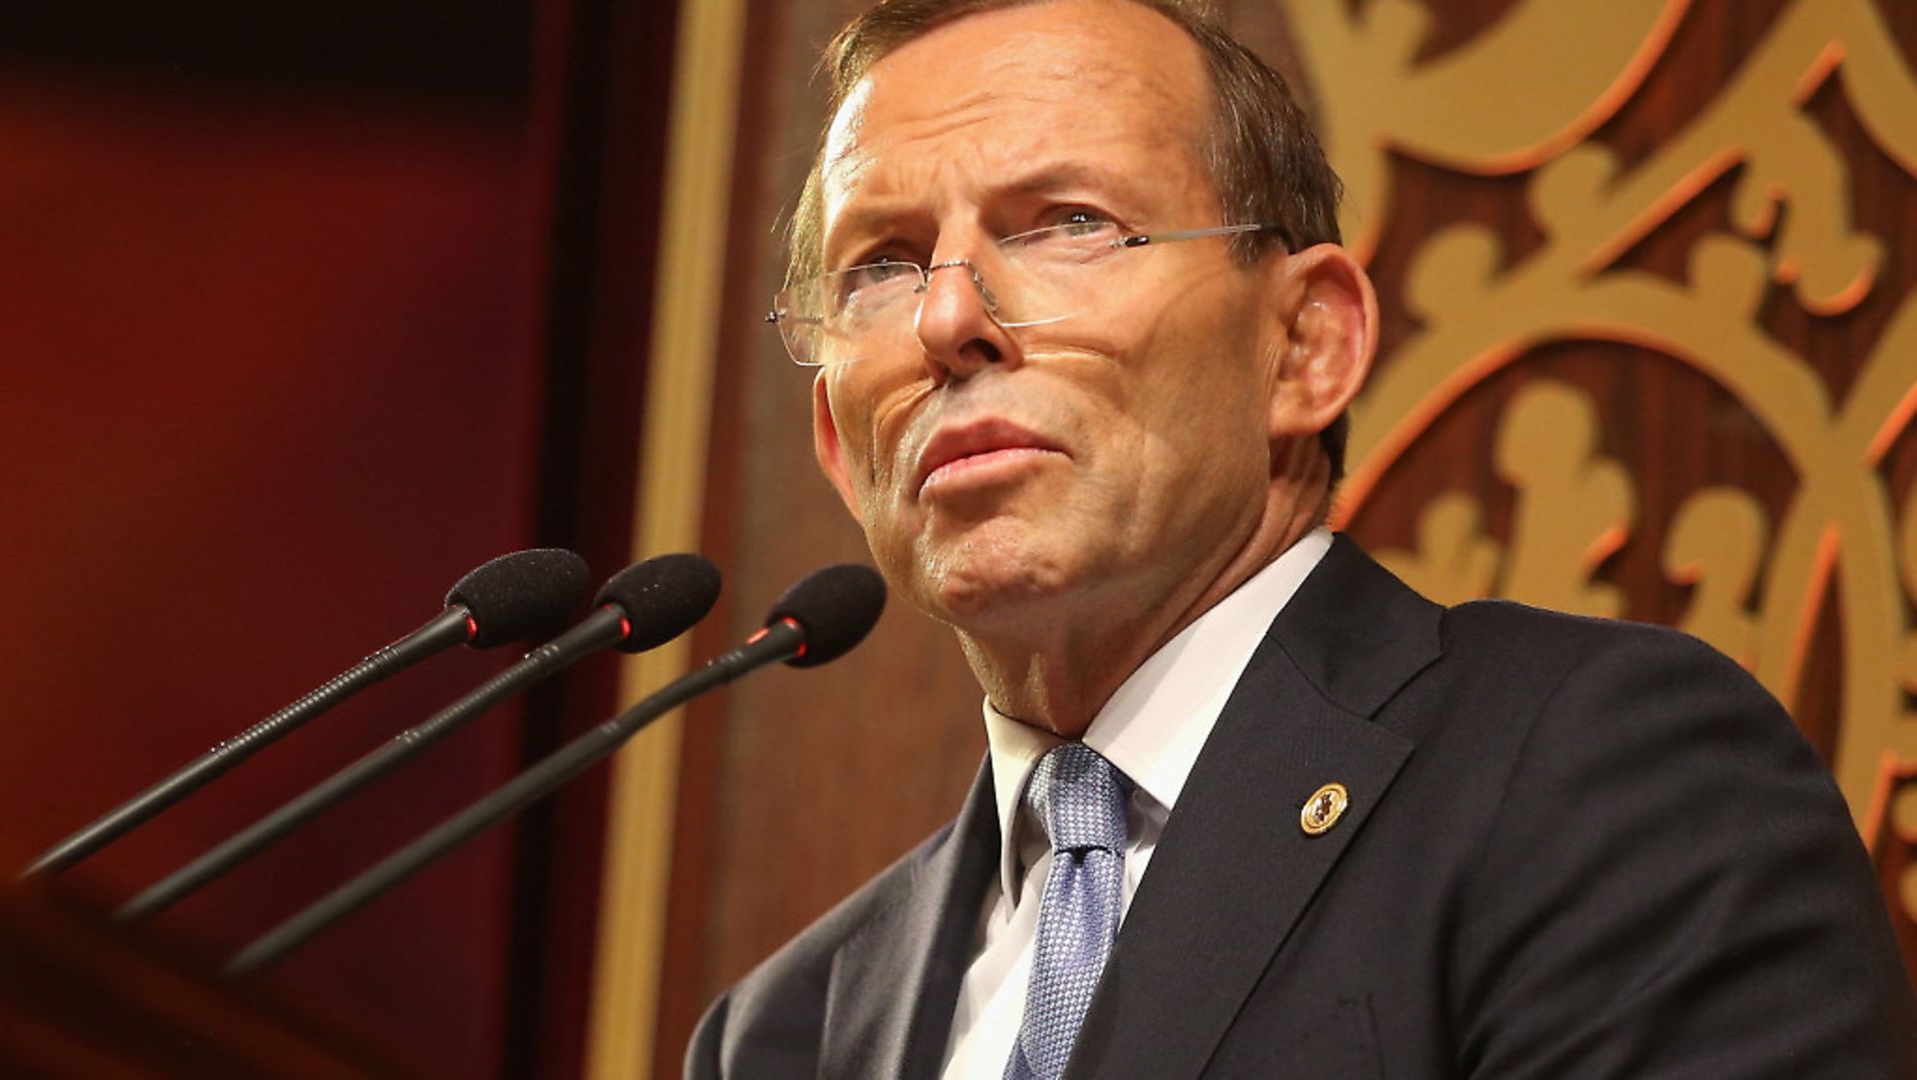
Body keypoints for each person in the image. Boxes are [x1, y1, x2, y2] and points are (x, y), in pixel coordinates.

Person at [687, 0, 1917, 1075]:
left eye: (1065, 221)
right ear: (843, 452)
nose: (950, 315)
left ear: (1305, 345)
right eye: (882, 268)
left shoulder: (1604, 785)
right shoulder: (782, 1036)